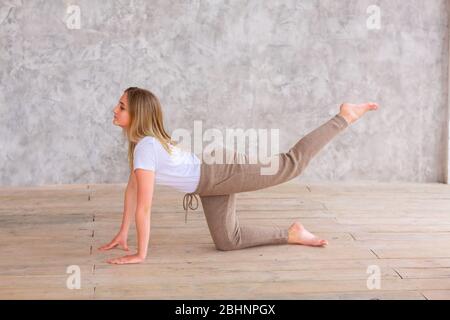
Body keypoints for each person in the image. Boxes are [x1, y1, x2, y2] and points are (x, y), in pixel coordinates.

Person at [98, 86, 379, 264]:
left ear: (138, 114)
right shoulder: (142, 145)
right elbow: (132, 191)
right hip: (209, 181)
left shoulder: (146, 146)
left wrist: (141, 254)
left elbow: (145, 208)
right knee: (227, 241)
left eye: (122, 106)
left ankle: (344, 117)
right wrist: (123, 234)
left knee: (290, 164)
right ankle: (293, 234)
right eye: (119, 104)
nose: (115, 108)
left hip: (219, 170)